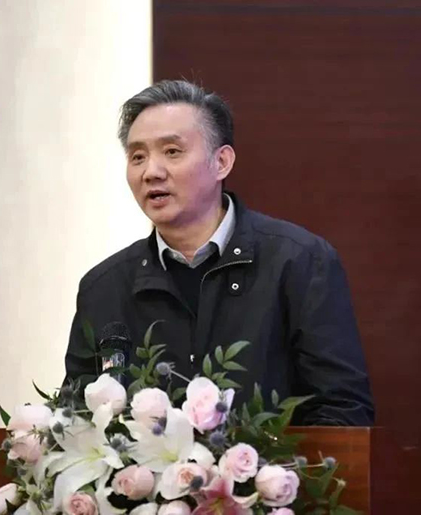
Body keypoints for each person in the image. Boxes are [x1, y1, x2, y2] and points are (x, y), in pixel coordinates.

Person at [63, 80, 374, 426]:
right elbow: (77, 420)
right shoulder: (103, 289)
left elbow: (342, 410)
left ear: (221, 162)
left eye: (172, 152)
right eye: (138, 157)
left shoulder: (300, 262)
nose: (151, 172)